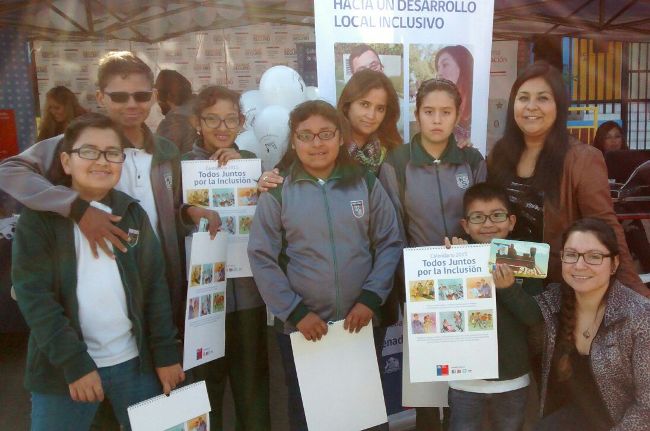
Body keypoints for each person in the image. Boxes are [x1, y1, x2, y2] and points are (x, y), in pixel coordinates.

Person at [0, 51, 219, 327]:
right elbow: (10, 170)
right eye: (119, 96)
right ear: (101, 97)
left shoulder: (166, 151)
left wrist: (189, 213)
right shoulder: (77, 143)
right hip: (100, 287)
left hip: (158, 286)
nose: (131, 104)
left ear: (152, 96)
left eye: (140, 96)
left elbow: (167, 213)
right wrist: (76, 208)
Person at [12, 113, 184, 431]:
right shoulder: (40, 220)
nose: (102, 161)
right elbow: (35, 297)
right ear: (66, 161)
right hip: (64, 370)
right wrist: (74, 364)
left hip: (135, 364)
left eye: (112, 153)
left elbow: (154, 288)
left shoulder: (132, 213)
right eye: (88, 151)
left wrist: (165, 352)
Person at [247, 100, 403, 431]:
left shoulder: (365, 183)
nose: (316, 143)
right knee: (310, 417)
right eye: (306, 135)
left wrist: (371, 299)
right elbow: (261, 257)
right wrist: (295, 313)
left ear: (340, 136)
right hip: (304, 330)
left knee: (364, 414)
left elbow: (390, 241)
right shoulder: (278, 193)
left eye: (325, 134)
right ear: (294, 141)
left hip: (358, 325)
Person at [487, 62, 648, 297]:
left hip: (557, 288)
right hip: (504, 284)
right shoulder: (499, 154)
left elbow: (606, 227)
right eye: (523, 98)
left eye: (543, 98)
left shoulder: (581, 159)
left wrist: (637, 294)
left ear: (559, 106)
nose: (531, 107)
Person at [381, 77, 485, 431]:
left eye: (446, 112)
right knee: (426, 388)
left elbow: (484, 224)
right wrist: (412, 285)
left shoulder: (471, 160)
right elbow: (392, 231)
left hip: (469, 289)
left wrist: (468, 256)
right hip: (420, 290)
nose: (437, 120)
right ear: (416, 114)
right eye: (429, 111)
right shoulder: (397, 162)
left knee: (464, 382)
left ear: (458, 115)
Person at [496, 218, 650, 431]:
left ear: (614, 264)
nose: (579, 265)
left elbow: (647, 408)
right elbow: (523, 311)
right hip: (574, 418)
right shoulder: (556, 300)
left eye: (594, 257)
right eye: (571, 255)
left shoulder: (640, 316)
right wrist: (463, 256)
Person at [181, 85, 270, 431]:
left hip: (247, 292)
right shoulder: (183, 165)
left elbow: (272, 217)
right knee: (204, 387)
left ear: (242, 121)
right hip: (203, 296)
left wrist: (251, 174)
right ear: (196, 122)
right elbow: (168, 218)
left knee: (253, 384)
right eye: (212, 119)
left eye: (231, 118)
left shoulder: (251, 162)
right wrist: (186, 209)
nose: (222, 127)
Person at [443, 182, 543, 431]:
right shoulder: (452, 255)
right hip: (464, 380)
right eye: (478, 217)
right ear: (465, 225)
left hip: (512, 379)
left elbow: (534, 317)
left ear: (511, 221)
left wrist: (509, 289)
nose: (488, 224)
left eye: (497, 215)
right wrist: (457, 266)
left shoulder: (526, 260)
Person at [434, 46, 473, 142]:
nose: (439, 73)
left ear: (462, 66)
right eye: (438, 68)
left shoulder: (479, 103)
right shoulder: (439, 103)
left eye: (445, 65)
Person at [155, 69, 196, 154]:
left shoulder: (171, 124)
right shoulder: (205, 114)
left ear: (168, 96)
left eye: (157, 93)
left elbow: (160, 159)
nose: (157, 100)